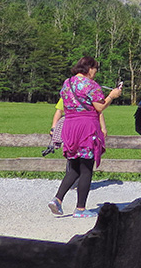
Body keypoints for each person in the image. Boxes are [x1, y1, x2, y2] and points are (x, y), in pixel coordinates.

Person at [48, 56, 122, 218]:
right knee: (86, 168)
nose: (95, 72)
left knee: (74, 166)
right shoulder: (91, 85)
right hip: (86, 127)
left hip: (70, 126)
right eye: (95, 69)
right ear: (89, 68)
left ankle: (57, 199)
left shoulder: (67, 83)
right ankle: (80, 209)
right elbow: (100, 107)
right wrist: (112, 96)